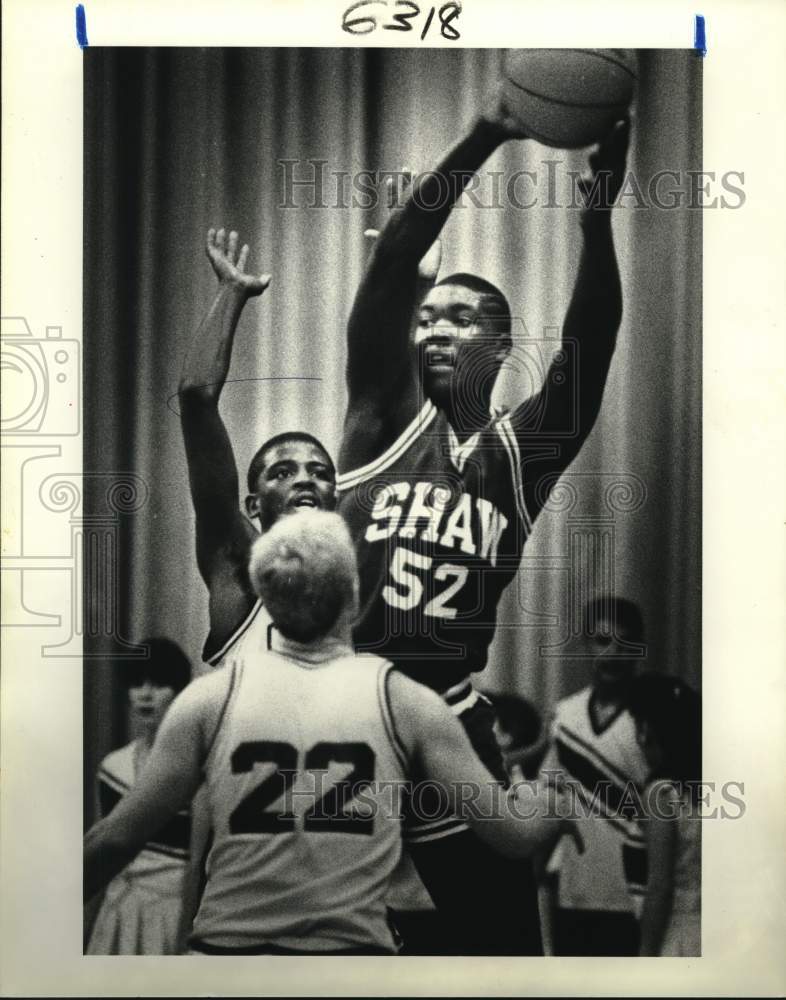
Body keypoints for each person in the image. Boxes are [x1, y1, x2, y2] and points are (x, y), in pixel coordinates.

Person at [336, 85, 631, 953]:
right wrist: (484, 136)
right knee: (325, 932)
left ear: (499, 348)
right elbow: (394, 265)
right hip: (349, 704)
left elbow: (594, 346)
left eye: (459, 318)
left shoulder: (520, 452)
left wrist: (596, 222)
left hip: (452, 714)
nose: (433, 328)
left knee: (497, 940)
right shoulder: (381, 413)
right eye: (428, 318)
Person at [84, 511, 579, 955]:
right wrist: (552, 805)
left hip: (228, 958)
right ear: (357, 594)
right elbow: (512, 838)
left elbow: (112, 841)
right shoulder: (405, 701)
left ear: (267, 599)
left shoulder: (207, 699)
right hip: (345, 962)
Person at [177, 226, 339, 942]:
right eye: (282, 471)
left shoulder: (362, 594)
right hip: (246, 895)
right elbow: (193, 398)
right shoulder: (239, 577)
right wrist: (232, 296)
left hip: (345, 894)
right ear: (252, 507)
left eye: (319, 470)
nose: (305, 477)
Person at [537, 596, 650, 957]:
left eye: (624, 643)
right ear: (587, 645)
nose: (613, 653)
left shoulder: (653, 717)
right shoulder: (566, 715)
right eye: (602, 641)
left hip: (634, 896)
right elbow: (546, 802)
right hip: (575, 891)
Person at [85, 638, 192, 955]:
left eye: (158, 683)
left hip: (171, 913)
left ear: (179, 691)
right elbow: (100, 858)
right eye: (136, 683)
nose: (145, 693)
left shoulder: (196, 770)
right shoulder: (113, 768)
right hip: (118, 912)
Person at [628, 673, 701, 957]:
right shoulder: (699, 788)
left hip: (676, 934)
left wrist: (646, 953)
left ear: (646, 730)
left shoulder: (661, 793)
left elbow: (660, 886)